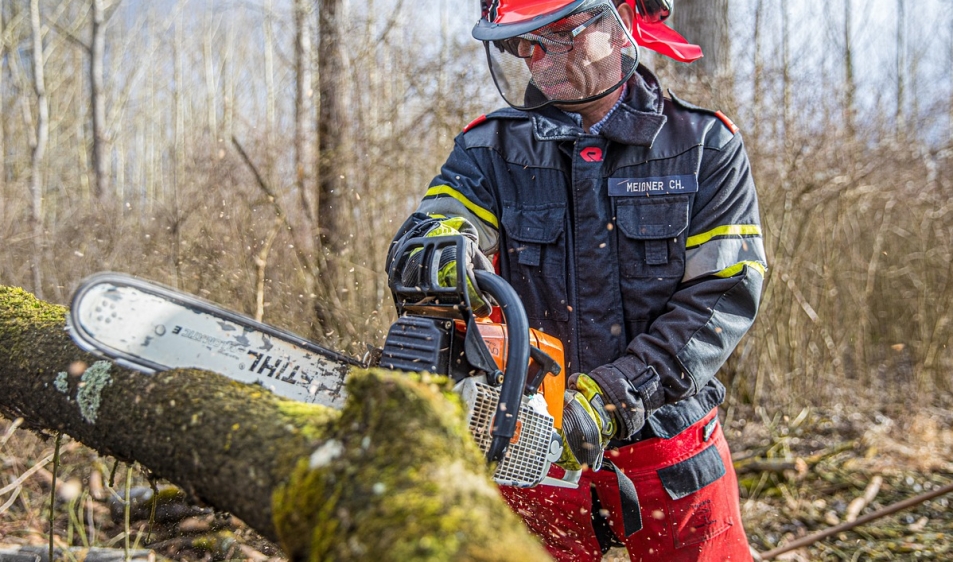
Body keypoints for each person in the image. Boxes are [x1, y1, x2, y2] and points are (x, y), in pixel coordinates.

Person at [388, 0, 765, 560]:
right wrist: (436, 246)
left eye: (555, 37)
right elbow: (443, 215)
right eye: (522, 44)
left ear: (616, 29)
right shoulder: (490, 148)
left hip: (668, 442)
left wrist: (616, 395)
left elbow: (723, 295)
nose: (535, 59)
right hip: (533, 441)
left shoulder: (704, 146)